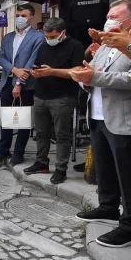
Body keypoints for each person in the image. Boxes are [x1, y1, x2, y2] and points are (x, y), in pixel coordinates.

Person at [71, 0, 131, 248]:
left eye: (114, 15)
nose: (108, 19)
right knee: (105, 167)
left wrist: (94, 76)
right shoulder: (109, 37)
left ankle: (130, 227)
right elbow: (94, 68)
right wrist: (85, 76)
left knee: (130, 174)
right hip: (99, 113)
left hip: (127, 116)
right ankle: (108, 206)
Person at [26, 18, 85, 184]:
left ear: (62, 33)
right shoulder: (44, 45)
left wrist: (52, 72)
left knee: (61, 135)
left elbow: (77, 72)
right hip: (41, 94)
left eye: (53, 36)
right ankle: (41, 162)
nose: (49, 40)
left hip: (63, 97)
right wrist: (35, 72)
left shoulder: (75, 46)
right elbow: (38, 65)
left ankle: (61, 169)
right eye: (47, 36)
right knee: (41, 132)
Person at [0, 4, 45, 168]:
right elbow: (1, 58)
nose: (20, 18)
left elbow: (32, 61)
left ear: (31, 17)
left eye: (24, 15)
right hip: (7, 82)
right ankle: (3, 152)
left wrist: (20, 82)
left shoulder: (38, 37)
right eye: (18, 14)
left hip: (26, 85)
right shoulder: (8, 37)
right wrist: (14, 69)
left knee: (22, 121)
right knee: (7, 120)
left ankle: (18, 153)